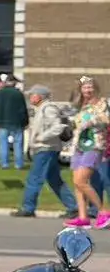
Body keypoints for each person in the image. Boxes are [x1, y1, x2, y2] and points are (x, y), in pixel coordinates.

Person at [15, 85, 78, 217]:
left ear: (40, 96)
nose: (30, 97)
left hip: (46, 148)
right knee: (54, 179)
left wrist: (41, 137)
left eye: (32, 95)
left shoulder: (48, 109)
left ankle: (28, 207)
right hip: (46, 148)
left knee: (34, 178)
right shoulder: (41, 109)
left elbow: (58, 127)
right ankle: (73, 207)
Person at [65, 76, 110, 229]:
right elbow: (75, 123)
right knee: (76, 182)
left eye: (90, 87)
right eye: (84, 87)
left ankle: (103, 211)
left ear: (95, 88)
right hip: (79, 146)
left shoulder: (102, 103)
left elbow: (106, 119)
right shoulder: (79, 106)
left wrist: (91, 121)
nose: (87, 90)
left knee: (81, 181)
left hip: (94, 145)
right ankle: (83, 216)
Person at [0, 73, 28, 169]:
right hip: (16, 122)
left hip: (1, 122)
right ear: (13, 82)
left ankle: (4, 164)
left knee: (3, 143)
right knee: (18, 143)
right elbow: (23, 109)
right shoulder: (19, 94)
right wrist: (25, 122)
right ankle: (18, 164)